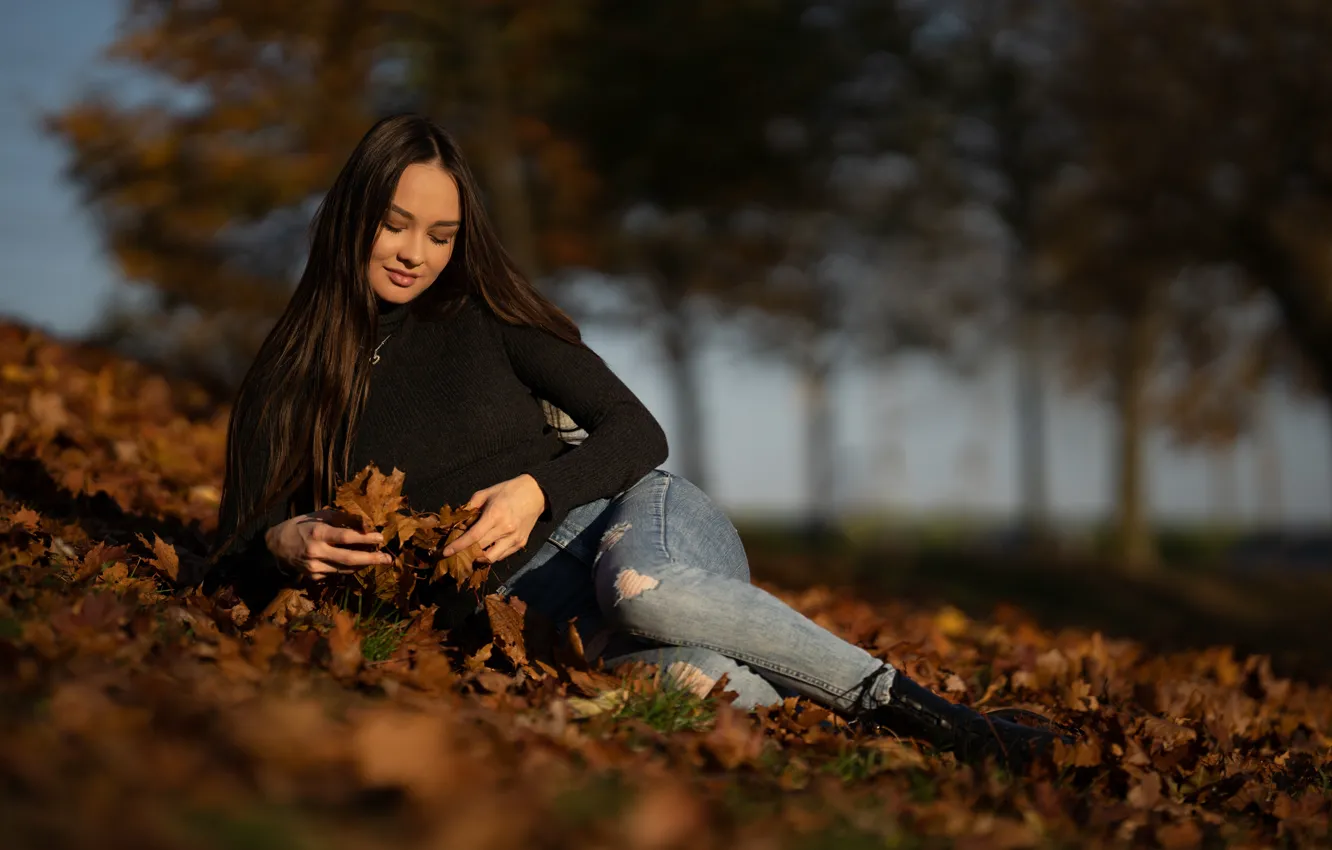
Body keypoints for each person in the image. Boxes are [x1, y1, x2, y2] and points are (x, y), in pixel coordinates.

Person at [208, 113, 1071, 772]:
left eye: (442, 236)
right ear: (352, 212)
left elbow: (639, 433)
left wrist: (537, 489)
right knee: (695, 677)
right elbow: (230, 551)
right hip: (534, 626)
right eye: (395, 225)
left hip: (629, 521)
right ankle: (865, 735)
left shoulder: (484, 316)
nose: (415, 255)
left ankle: (947, 724)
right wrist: (283, 544)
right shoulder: (286, 377)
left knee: (644, 593)